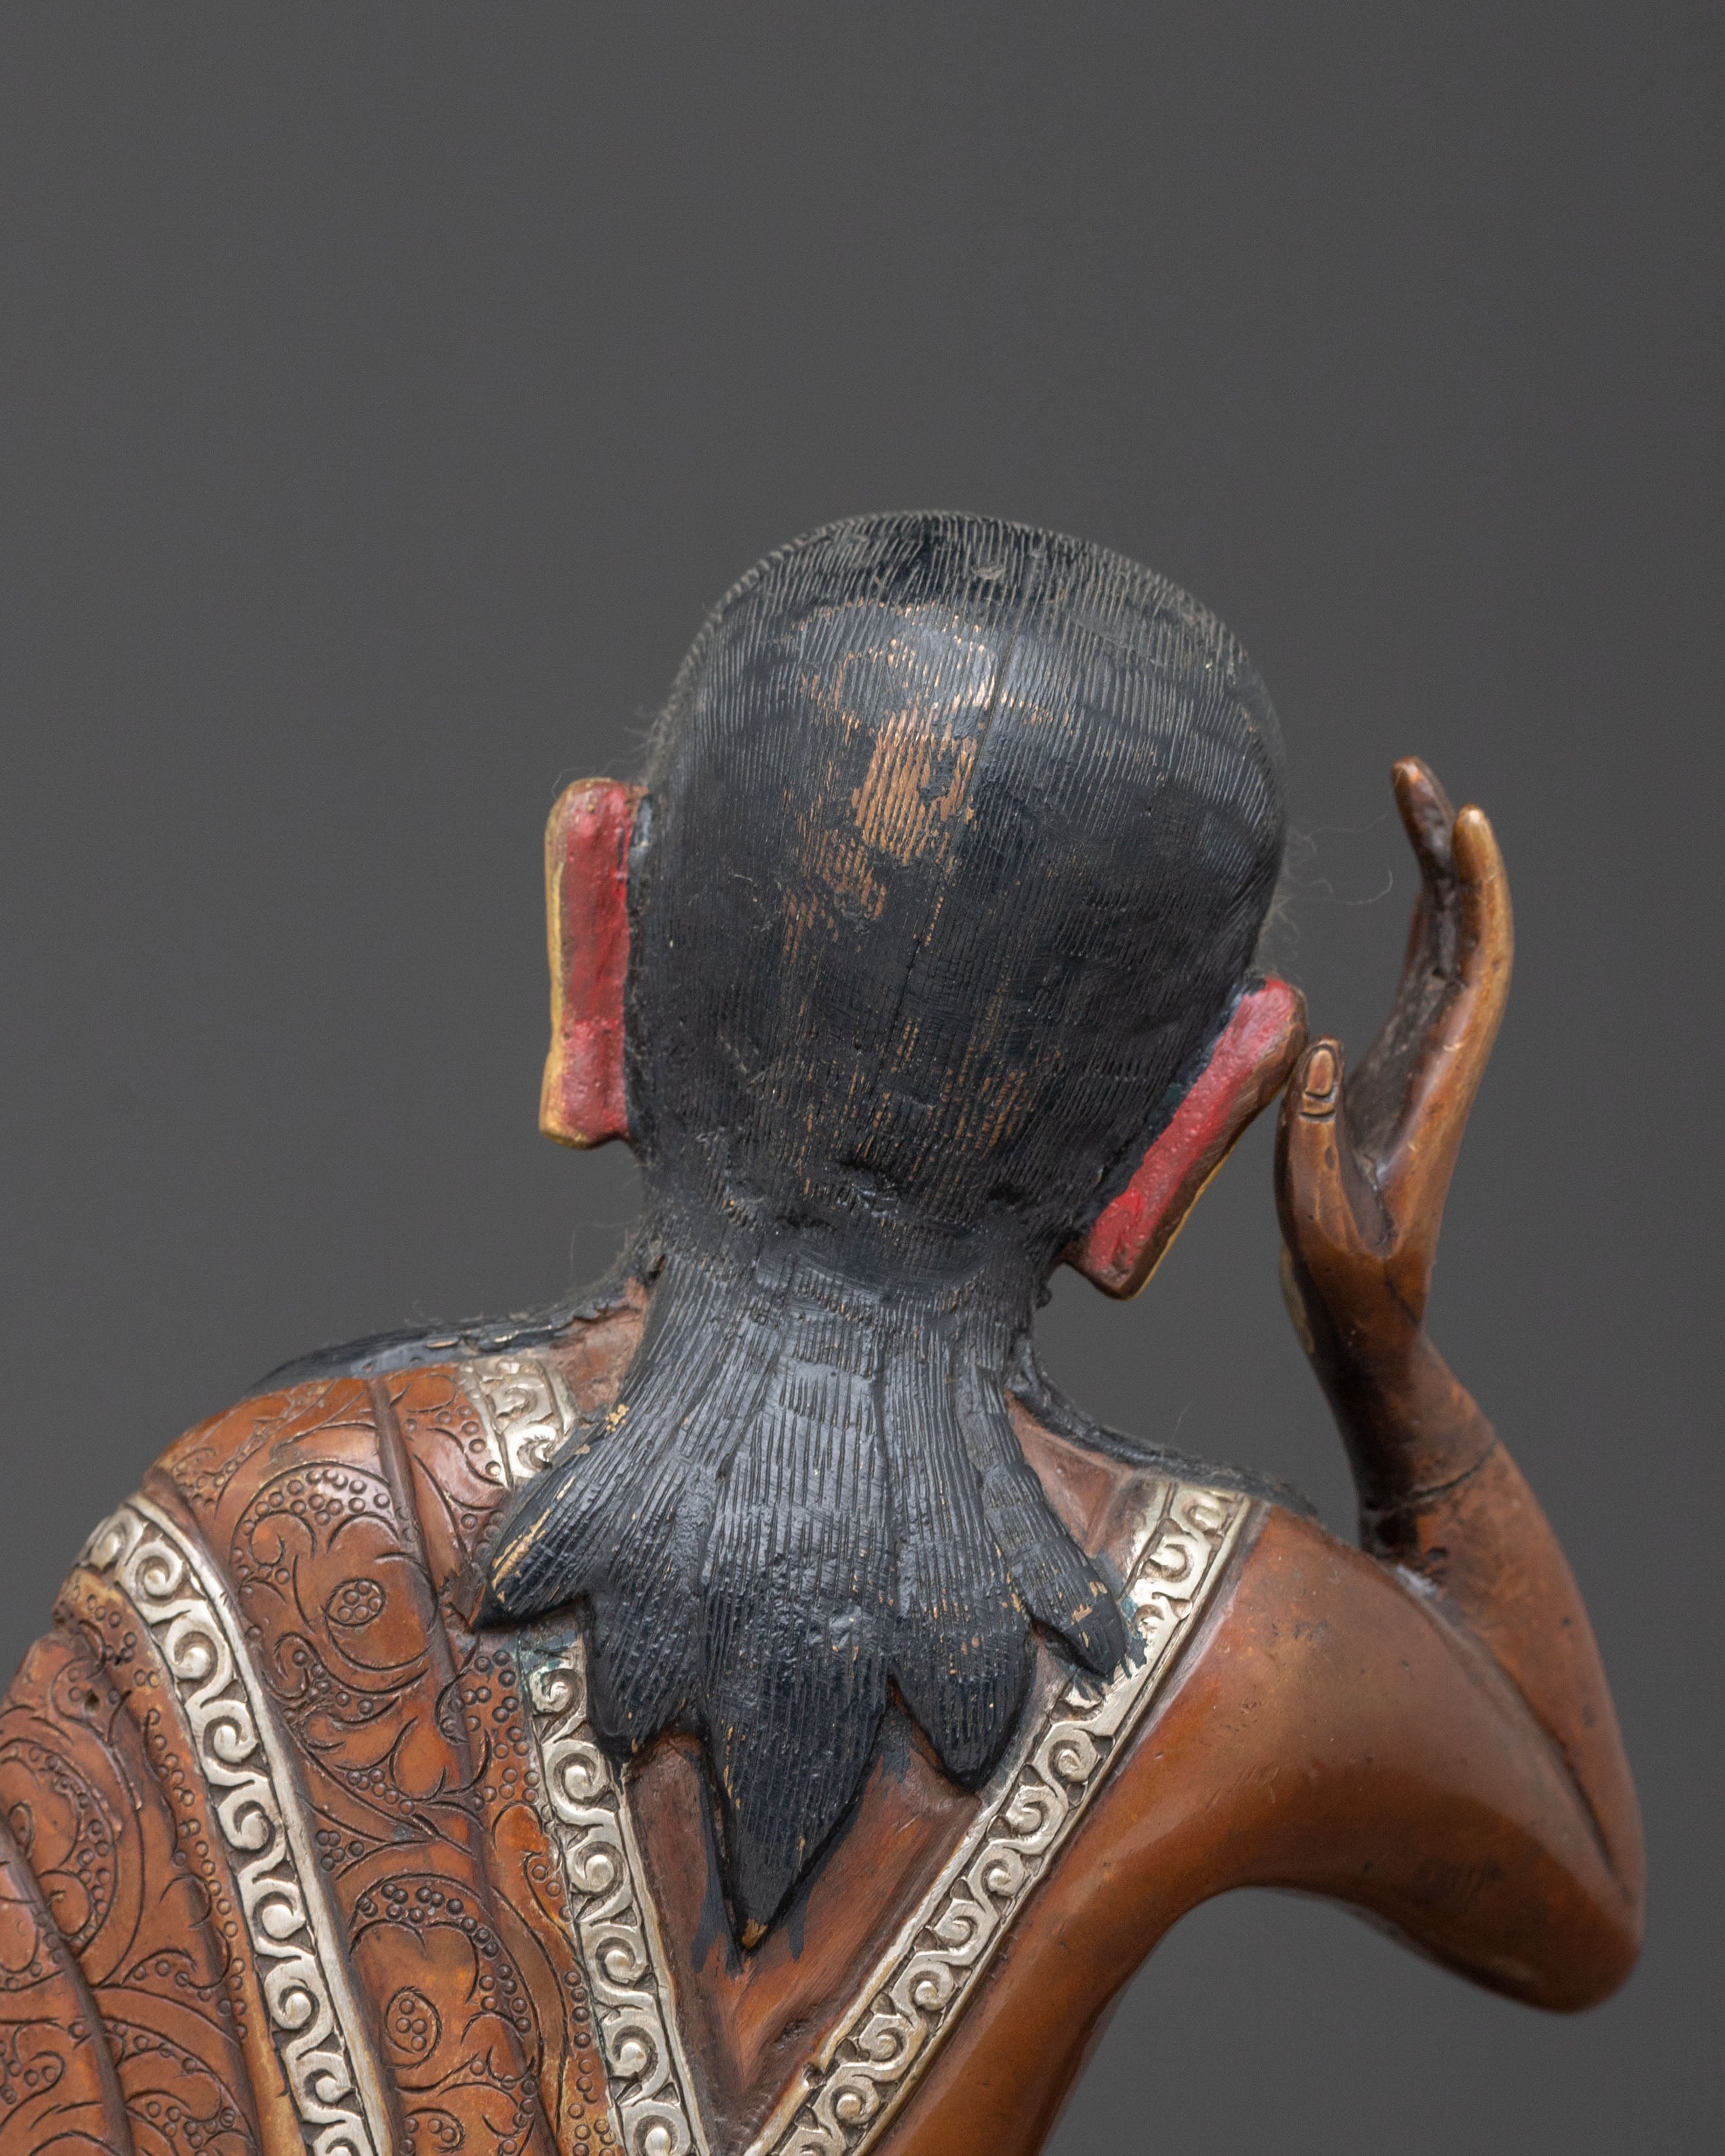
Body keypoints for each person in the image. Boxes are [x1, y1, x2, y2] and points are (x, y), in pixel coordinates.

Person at [0, 515, 1640, 2156]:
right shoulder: (1208, 1647)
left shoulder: (267, 1520)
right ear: (1193, 1124)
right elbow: (1576, 1890)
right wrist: (1378, 1353)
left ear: (601, 924)